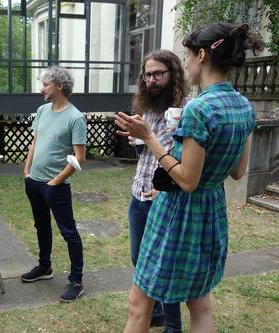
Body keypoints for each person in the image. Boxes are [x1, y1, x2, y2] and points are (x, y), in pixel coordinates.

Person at [115, 23, 262, 332]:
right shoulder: (244, 107)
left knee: (139, 305)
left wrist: (150, 138)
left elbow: (187, 181)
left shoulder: (199, 110)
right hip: (211, 213)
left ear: (201, 55)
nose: (187, 64)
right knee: (200, 304)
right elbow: (236, 172)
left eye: (187, 56)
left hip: (177, 214)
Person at [127, 50, 188, 333]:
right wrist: (136, 139)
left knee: (165, 266)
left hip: (162, 198)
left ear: (172, 74)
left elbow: (186, 160)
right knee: (139, 258)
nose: (151, 80)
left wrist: (148, 139)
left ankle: (173, 325)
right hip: (138, 194)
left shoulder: (188, 109)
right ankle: (157, 311)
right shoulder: (148, 108)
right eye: (147, 75)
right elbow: (148, 152)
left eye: (158, 74)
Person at [21, 66, 87, 302]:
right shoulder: (42, 110)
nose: (42, 89)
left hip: (55, 186)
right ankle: (44, 267)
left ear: (60, 86)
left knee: (69, 233)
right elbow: (34, 142)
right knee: (42, 226)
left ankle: (76, 281)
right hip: (34, 182)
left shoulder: (75, 117)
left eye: (46, 84)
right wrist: (27, 170)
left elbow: (80, 158)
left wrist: (56, 180)